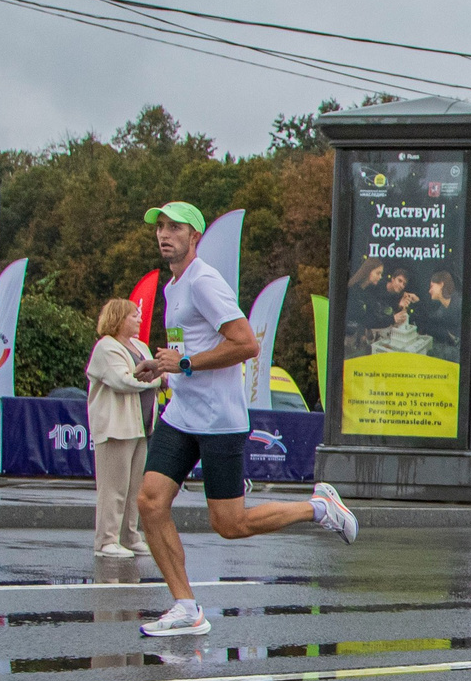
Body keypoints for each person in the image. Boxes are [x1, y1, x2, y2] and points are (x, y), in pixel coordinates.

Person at [131, 202, 355, 637]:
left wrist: (186, 364)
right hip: (181, 415)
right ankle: (186, 607)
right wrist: (164, 365)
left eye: (174, 227)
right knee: (150, 502)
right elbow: (186, 348)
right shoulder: (172, 286)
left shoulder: (204, 282)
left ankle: (319, 508)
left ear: (194, 236)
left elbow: (247, 344)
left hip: (218, 420)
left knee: (229, 524)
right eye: (159, 227)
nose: (164, 234)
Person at [84, 296, 150, 560]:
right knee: (113, 487)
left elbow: (148, 372)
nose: (139, 319)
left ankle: (129, 536)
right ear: (119, 318)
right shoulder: (106, 347)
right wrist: (157, 381)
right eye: (134, 315)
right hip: (115, 427)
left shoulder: (141, 346)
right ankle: (106, 540)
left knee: (135, 487)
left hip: (141, 427)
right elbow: (122, 381)